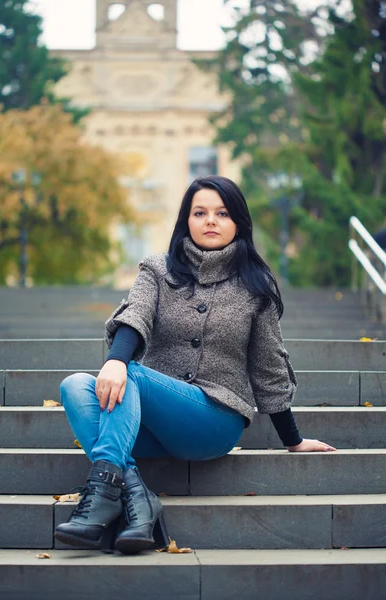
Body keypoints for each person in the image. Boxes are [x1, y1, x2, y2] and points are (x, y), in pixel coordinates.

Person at [55, 175, 336, 555]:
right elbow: (135, 316)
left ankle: (104, 492)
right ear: (185, 220)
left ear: (238, 221)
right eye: (199, 212)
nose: (210, 221)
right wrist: (115, 361)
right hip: (151, 422)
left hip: (214, 422)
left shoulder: (256, 285)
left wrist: (293, 440)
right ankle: (137, 496)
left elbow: (268, 367)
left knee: (130, 373)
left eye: (222, 213)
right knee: (74, 385)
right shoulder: (156, 269)